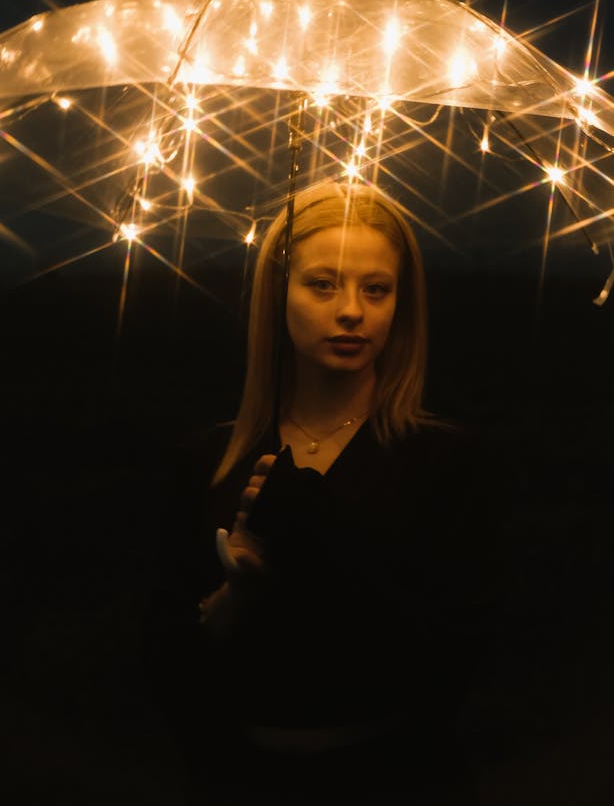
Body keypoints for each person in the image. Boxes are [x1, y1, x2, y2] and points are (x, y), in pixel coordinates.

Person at [139, 179, 502, 805]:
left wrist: (319, 535)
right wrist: (237, 593)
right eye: (323, 283)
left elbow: (454, 654)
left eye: (376, 288)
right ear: (278, 295)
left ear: (400, 304)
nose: (352, 310)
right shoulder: (211, 461)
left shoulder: (443, 458)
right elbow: (165, 663)